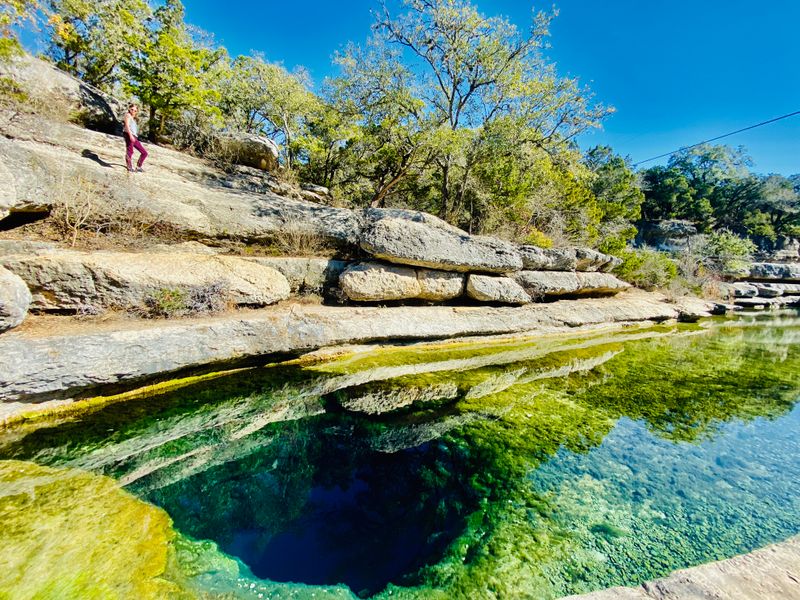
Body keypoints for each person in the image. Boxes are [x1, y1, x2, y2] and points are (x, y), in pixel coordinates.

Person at [123, 104, 148, 173]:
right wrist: (130, 135)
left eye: (135, 110)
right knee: (130, 151)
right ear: (129, 109)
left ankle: (138, 167)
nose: (133, 111)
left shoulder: (132, 118)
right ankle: (129, 167)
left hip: (134, 136)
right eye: (132, 109)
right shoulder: (127, 115)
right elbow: (127, 126)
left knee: (144, 153)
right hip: (129, 135)